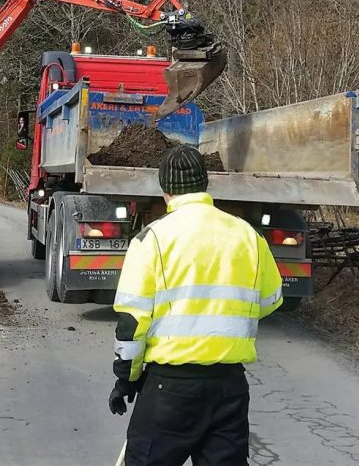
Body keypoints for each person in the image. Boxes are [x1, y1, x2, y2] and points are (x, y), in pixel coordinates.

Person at [110, 144, 283, 465]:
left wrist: (127, 378)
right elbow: (271, 300)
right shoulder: (249, 236)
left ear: (166, 191)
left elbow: (132, 323)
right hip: (229, 389)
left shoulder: (152, 239)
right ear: (205, 184)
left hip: (169, 391)